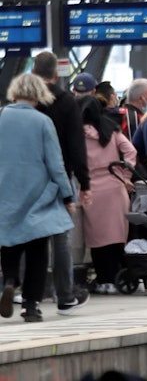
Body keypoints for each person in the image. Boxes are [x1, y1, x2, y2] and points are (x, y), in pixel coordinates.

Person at [0, 73, 77, 323]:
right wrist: (68, 195)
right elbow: (55, 163)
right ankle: (31, 306)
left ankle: (10, 280)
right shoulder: (43, 121)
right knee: (37, 250)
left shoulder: (1, 116)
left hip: (6, 191)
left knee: (9, 242)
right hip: (38, 194)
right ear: (38, 94)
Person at [32, 51, 91, 314]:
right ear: (56, 74)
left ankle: (27, 292)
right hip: (60, 178)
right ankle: (64, 295)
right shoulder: (67, 101)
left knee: (29, 236)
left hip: (29, 179)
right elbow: (77, 145)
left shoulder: (24, 102)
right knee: (60, 237)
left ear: (33, 72)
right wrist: (84, 182)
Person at [79, 95, 137, 295]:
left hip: (91, 189)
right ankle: (117, 277)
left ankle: (104, 280)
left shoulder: (78, 134)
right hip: (115, 186)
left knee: (98, 239)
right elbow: (131, 151)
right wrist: (126, 175)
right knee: (116, 236)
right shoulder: (112, 130)